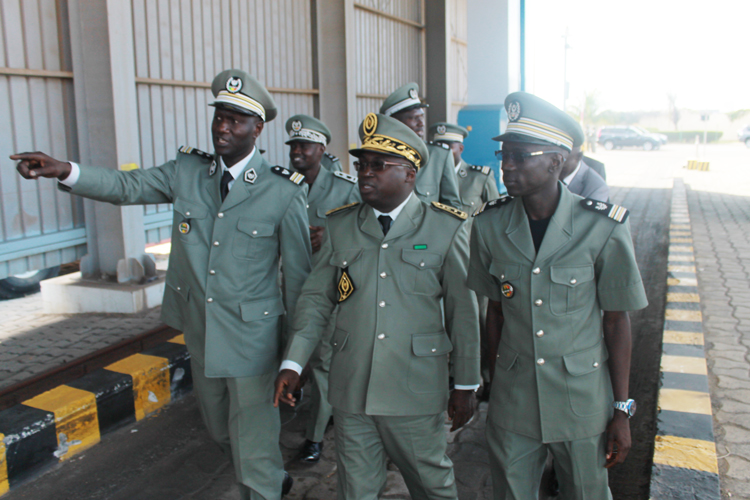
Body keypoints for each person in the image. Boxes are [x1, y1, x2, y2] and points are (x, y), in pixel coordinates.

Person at [12, 69, 310, 500]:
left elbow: (299, 283)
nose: (223, 127)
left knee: (253, 441)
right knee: (221, 429)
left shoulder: (281, 191)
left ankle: (264, 485)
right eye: (219, 117)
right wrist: (66, 170)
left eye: (235, 120)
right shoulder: (188, 171)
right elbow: (126, 185)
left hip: (255, 342)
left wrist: (295, 361)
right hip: (203, 332)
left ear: (257, 128)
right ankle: (270, 475)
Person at [274, 113, 480, 500]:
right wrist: (294, 363)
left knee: (432, 486)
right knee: (356, 491)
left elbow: (463, 313)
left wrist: (466, 384)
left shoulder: (445, 228)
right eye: (361, 164)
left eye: (378, 165)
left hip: (415, 391)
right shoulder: (341, 226)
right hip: (353, 391)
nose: (365, 173)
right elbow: (317, 300)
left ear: (409, 173)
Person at [467, 91, 648, 499]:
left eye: (519, 155)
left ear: (555, 161)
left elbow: (616, 321)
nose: (507, 166)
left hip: (581, 400)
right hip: (513, 400)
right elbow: (493, 312)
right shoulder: (489, 226)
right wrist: (491, 381)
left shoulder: (601, 227)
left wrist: (621, 409)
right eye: (503, 155)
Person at [284, 113, 359, 462]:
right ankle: (307, 409)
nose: (298, 151)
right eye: (294, 145)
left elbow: (364, 229)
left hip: (330, 290)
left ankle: (315, 438)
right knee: (295, 356)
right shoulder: (281, 185)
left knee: (324, 364)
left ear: (321, 148)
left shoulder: (345, 188)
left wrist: (329, 235)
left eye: (305, 145)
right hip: (288, 289)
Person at [429, 121, 500, 396]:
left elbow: (494, 217)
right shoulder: (428, 176)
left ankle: (483, 375)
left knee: (477, 320)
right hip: (435, 260)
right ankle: (451, 371)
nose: (446, 150)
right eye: (440, 145)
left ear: (461, 147)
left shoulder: (479, 176)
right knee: (443, 319)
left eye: (451, 146)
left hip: (473, 261)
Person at [380, 83, 462, 209]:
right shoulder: (378, 157)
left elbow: (452, 207)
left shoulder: (439, 156)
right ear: (395, 122)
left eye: (422, 117)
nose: (421, 123)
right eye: (414, 118)